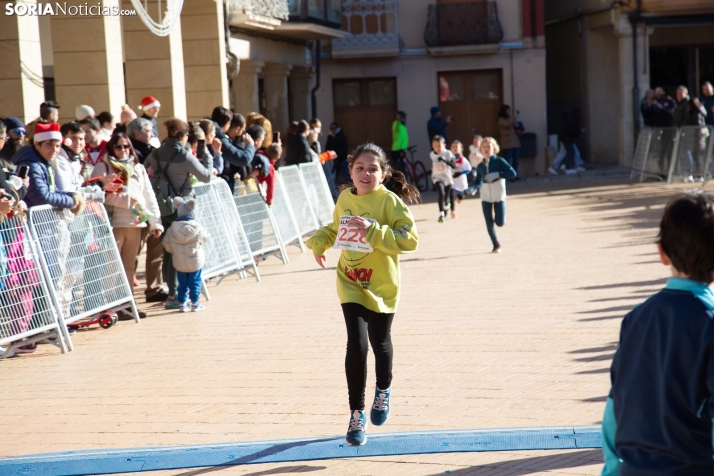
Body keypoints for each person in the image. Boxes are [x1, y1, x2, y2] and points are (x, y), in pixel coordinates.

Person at [306, 142, 419, 447]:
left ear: (383, 174)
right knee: (356, 345)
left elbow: (409, 240)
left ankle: (383, 391)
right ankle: (356, 415)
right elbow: (335, 227)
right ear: (350, 171)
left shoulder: (390, 202)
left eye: (373, 168)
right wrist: (319, 242)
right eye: (360, 167)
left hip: (382, 286)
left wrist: (373, 232)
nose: (365, 173)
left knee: (380, 344)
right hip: (351, 280)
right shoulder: (344, 197)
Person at [601, 192, 714, 476]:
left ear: (661, 252)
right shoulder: (708, 323)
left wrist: (613, 470)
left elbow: (615, 405)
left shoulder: (635, 319)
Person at [144, 118, 214, 310]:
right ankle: (184, 297)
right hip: (180, 207)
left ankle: (172, 294)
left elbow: (143, 170)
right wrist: (206, 154)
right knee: (185, 251)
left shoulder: (156, 153)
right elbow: (206, 177)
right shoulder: (185, 156)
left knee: (169, 251)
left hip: (160, 207)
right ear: (183, 136)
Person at [91, 133, 162, 310]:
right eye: (118, 146)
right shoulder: (103, 166)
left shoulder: (138, 168)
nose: (123, 150)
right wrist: (127, 200)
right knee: (112, 268)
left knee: (129, 267)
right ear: (110, 148)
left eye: (126, 146)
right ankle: (110, 306)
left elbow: (149, 196)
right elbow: (95, 195)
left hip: (136, 224)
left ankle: (128, 305)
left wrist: (155, 222)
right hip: (113, 224)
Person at [161, 196, 210, 313]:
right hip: (195, 261)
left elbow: (166, 244)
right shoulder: (197, 227)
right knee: (195, 282)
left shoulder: (172, 228)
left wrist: (174, 251)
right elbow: (206, 237)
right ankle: (195, 303)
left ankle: (182, 303)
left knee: (182, 284)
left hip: (179, 261)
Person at [471, 137, 517, 253]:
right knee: (488, 221)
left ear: (494, 148)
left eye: (489, 147)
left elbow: (513, 173)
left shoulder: (499, 161)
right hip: (485, 196)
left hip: (498, 195)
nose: (486, 149)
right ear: (481, 149)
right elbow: (478, 181)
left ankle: (501, 218)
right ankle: (495, 243)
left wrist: (498, 174)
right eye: (484, 147)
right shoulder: (480, 166)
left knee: (500, 222)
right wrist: (473, 188)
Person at [211, 107, 254, 190]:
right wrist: (250, 145)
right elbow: (243, 159)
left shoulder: (220, 136)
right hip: (220, 184)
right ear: (227, 124)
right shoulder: (220, 139)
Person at [429, 135, 455, 223]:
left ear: (444, 145)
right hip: (437, 177)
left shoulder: (448, 153)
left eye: (439, 146)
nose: (437, 148)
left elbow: (453, 165)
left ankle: (447, 204)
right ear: (432, 146)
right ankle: (441, 214)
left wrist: (445, 160)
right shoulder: (432, 154)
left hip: (447, 178)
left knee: (446, 199)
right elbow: (434, 164)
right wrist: (430, 171)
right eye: (435, 146)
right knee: (441, 193)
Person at [449, 140, 471, 219]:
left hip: (461, 181)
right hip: (453, 181)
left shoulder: (462, 159)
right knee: (451, 195)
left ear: (461, 149)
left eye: (456, 146)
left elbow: (468, 169)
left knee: (461, 195)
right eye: (453, 147)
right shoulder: (449, 159)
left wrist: (460, 173)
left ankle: (460, 197)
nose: (455, 148)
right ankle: (453, 210)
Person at [497, 105, 521, 176]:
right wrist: (514, 117)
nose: (509, 112)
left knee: (516, 160)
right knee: (507, 160)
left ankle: (515, 174)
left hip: (515, 142)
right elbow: (507, 124)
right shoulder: (501, 120)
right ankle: (508, 175)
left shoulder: (510, 118)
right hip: (507, 142)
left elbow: (513, 124)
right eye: (508, 110)